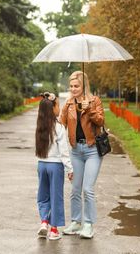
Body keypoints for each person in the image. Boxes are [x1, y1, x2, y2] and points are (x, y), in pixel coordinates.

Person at [60, 71, 105, 239]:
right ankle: (76, 222)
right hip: (75, 151)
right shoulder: (69, 103)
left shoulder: (95, 101)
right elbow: (61, 124)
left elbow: (100, 121)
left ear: (83, 85)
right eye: (71, 86)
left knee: (88, 189)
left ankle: (88, 225)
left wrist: (90, 110)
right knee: (75, 189)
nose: (73, 89)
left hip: (92, 150)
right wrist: (62, 107)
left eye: (76, 86)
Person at [35, 92, 73, 240]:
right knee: (55, 197)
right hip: (55, 166)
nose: (59, 107)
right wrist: (70, 169)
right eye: (57, 105)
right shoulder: (58, 127)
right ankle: (54, 230)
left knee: (43, 196)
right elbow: (64, 151)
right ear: (52, 109)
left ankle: (44, 222)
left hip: (42, 165)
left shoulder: (40, 126)